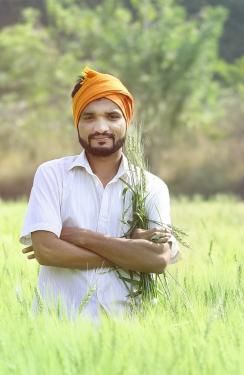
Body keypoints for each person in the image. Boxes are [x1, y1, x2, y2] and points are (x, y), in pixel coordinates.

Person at [19, 67, 179, 321]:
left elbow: (158, 259)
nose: (101, 127)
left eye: (112, 116)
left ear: (126, 121)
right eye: (89, 117)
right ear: (77, 123)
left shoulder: (152, 187)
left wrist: (79, 236)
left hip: (126, 331)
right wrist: (130, 250)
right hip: (56, 328)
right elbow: (47, 251)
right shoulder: (52, 175)